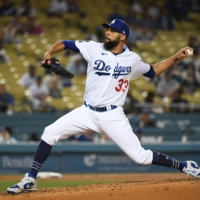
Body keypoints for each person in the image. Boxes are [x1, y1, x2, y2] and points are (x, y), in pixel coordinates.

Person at [7, 18, 200, 194]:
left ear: (122, 36)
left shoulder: (132, 59)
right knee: (49, 132)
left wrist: (175, 57)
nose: (107, 32)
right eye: (107, 29)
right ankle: (31, 178)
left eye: (112, 30)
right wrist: (49, 52)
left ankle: (184, 165)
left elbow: (152, 71)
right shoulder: (93, 48)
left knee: (141, 157)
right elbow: (66, 44)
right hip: (87, 112)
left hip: (113, 115)